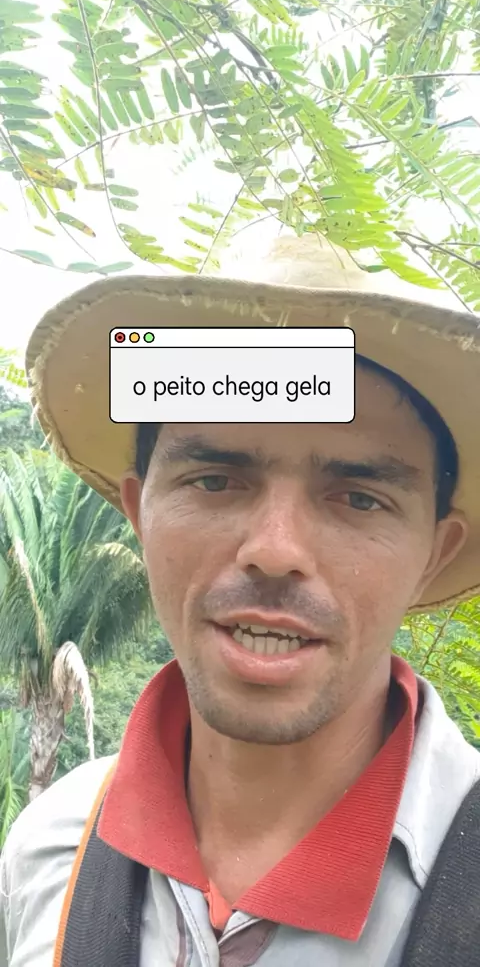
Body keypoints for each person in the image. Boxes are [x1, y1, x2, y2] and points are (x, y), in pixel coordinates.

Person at [1, 233, 480, 967]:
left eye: (359, 497)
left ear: (434, 555)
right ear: (139, 514)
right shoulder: (49, 848)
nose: (275, 550)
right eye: (215, 480)